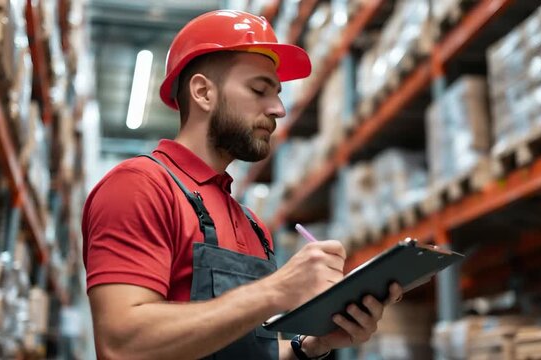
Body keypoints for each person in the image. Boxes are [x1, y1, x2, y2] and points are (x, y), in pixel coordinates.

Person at [82, 9, 402, 360]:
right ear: (203, 92)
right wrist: (277, 290)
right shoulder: (140, 187)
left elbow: (246, 350)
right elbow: (122, 344)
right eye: (259, 89)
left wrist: (309, 347)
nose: (278, 108)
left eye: (278, 93)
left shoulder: (252, 225)